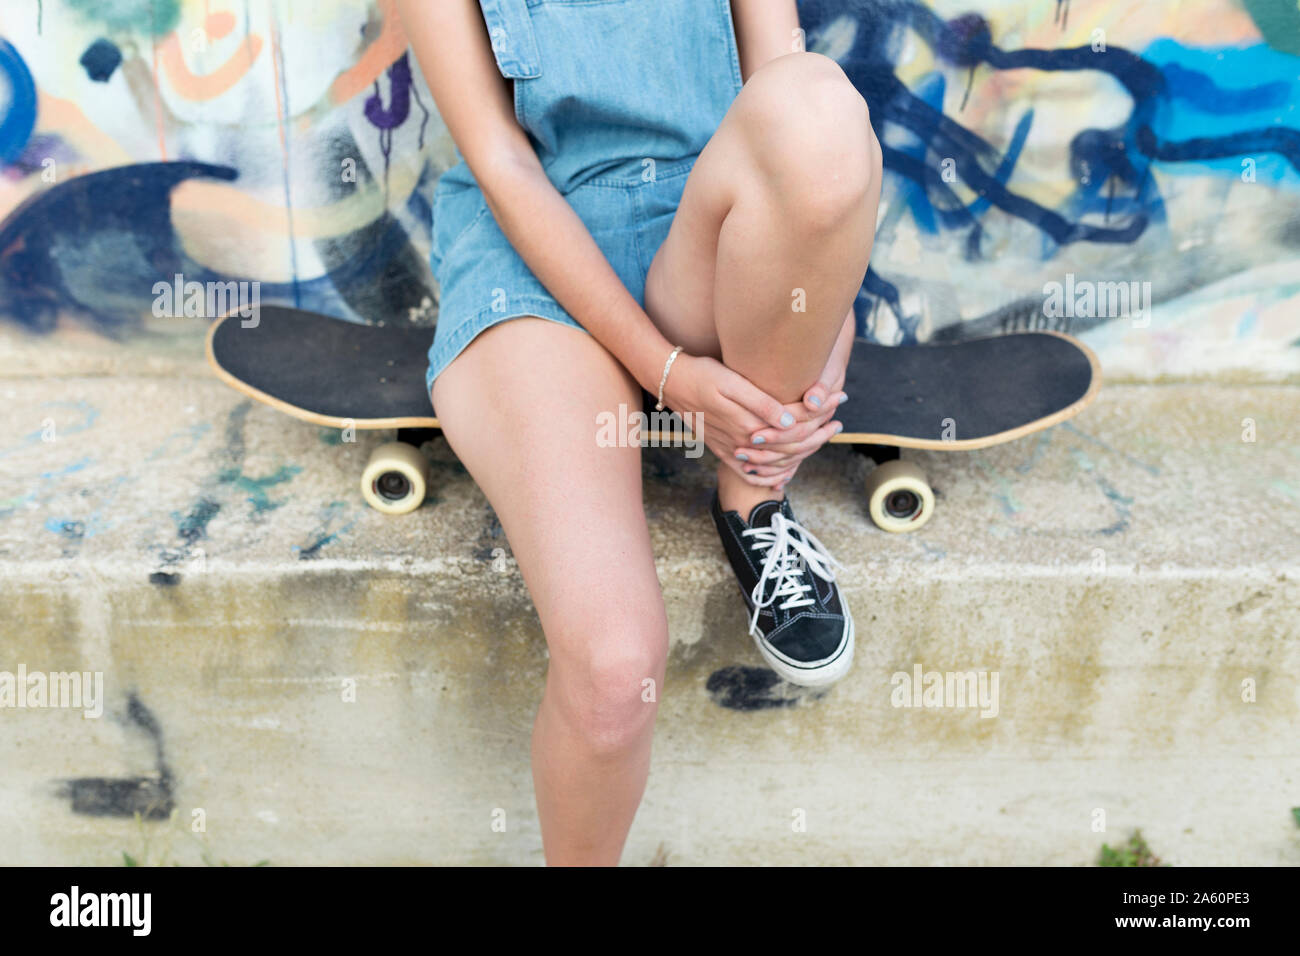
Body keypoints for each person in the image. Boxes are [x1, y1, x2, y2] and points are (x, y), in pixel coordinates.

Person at [397, 0, 882, 865]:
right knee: (617, 674)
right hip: (533, 250)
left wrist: (822, 312)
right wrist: (664, 370)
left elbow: (789, 113)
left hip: (700, 230)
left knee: (816, 103)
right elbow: (506, 165)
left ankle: (753, 497)